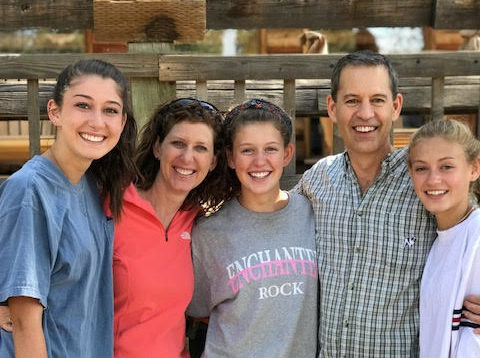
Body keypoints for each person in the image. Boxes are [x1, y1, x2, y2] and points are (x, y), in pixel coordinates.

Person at [295, 50, 480, 357]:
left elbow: (470, 235)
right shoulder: (318, 180)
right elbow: (270, 219)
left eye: (377, 100)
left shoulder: (425, 184)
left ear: (396, 107)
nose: (365, 114)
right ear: (333, 107)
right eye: (352, 100)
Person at [0, 59, 137, 358]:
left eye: (110, 110)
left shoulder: (92, 185)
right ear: (55, 112)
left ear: (122, 122)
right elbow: (24, 320)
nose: (97, 122)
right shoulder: (30, 191)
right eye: (83, 106)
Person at [187, 98, 318, 358]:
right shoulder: (209, 232)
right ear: (230, 157)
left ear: (287, 154)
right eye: (247, 150)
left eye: (270, 149)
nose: (260, 161)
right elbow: (197, 309)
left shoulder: (312, 214)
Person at [112, 98, 227, 358]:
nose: (187, 157)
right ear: (157, 147)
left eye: (200, 148)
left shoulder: (197, 222)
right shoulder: (113, 206)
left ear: (213, 162)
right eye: (178, 143)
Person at [408, 119, 480, 358]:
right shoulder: (437, 243)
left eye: (446, 167)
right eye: (421, 168)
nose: (433, 180)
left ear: (474, 168)